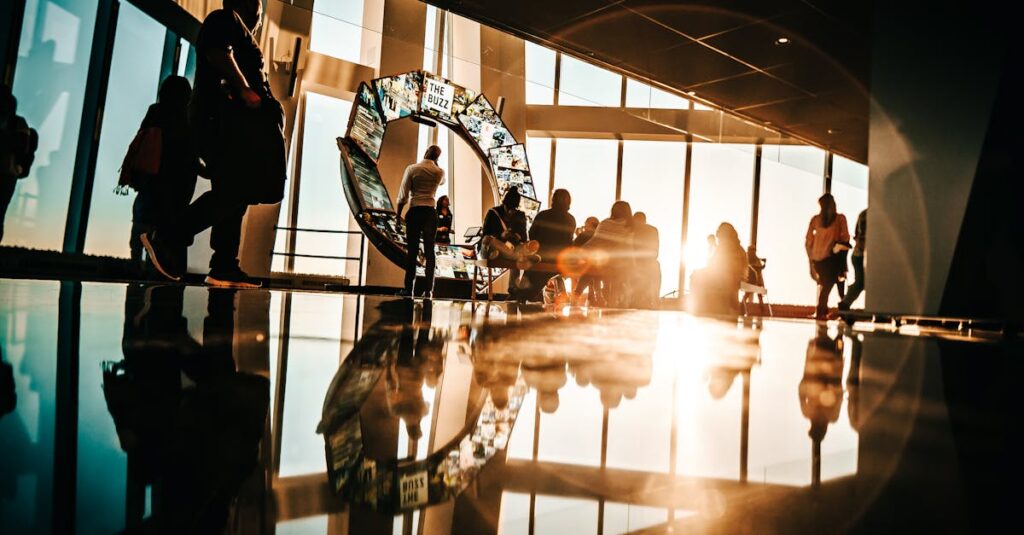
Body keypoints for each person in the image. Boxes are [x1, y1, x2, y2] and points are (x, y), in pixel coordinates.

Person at [142, 0, 285, 288]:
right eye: (256, 8)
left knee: (234, 192)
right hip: (221, 124)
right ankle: (170, 235)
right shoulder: (224, 19)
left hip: (229, 126)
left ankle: (224, 265)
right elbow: (217, 51)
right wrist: (245, 89)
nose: (258, 16)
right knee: (236, 189)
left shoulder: (234, 28)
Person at [128, 76, 199, 265]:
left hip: (152, 180)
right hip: (177, 185)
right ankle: (169, 274)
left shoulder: (155, 112)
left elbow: (142, 143)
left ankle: (135, 269)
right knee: (172, 233)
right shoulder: (188, 117)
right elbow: (190, 153)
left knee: (141, 229)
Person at [396, 145, 446, 297]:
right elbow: (443, 182)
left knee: (412, 251)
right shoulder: (439, 172)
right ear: (437, 158)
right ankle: (428, 290)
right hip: (430, 214)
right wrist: (436, 164)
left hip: (415, 211)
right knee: (430, 252)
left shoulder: (412, 169)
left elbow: (403, 195)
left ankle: (408, 288)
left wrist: (398, 216)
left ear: (425, 153)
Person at [521, 189, 576, 302]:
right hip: (559, 259)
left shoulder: (542, 215)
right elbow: (569, 242)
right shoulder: (571, 219)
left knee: (530, 278)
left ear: (553, 200)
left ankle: (523, 294)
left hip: (541, 257)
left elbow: (532, 235)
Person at [805, 194, 851, 320]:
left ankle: (825, 311)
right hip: (832, 258)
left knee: (829, 283)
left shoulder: (815, 220)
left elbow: (808, 242)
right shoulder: (840, 219)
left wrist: (811, 260)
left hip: (817, 260)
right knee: (835, 282)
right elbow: (846, 237)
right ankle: (833, 311)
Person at [1, 85, 36, 244]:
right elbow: (22, 145)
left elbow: (21, 145)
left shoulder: (17, 123)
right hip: (9, 173)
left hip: (7, 173)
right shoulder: (19, 123)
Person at [583, 201, 634, 307]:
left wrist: (583, 250)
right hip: (621, 265)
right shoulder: (629, 227)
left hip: (603, 263)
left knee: (598, 270)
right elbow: (629, 249)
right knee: (619, 276)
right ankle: (616, 301)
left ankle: (605, 298)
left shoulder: (605, 223)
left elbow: (595, 242)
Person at [482, 188, 531, 298]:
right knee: (491, 241)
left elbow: (524, 237)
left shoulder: (520, 216)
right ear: (504, 204)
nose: (511, 212)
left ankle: (513, 288)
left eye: (514, 209)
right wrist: (501, 235)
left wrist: (518, 237)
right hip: (494, 248)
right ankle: (519, 256)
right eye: (509, 209)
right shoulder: (493, 213)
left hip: (510, 249)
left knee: (522, 247)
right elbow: (485, 235)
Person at [691, 223, 747, 315]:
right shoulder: (723, 248)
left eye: (720, 237)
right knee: (696, 275)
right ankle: (701, 308)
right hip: (722, 276)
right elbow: (713, 265)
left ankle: (706, 308)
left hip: (730, 277)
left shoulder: (736, 249)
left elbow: (732, 269)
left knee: (699, 277)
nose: (718, 240)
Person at [839, 208, 867, 311]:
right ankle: (844, 304)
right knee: (860, 283)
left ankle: (845, 304)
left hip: (858, 254)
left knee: (860, 282)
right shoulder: (870, 215)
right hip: (861, 254)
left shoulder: (864, 214)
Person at [632, 212, 660, 308]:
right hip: (650, 261)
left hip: (635, 261)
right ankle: (655, 299)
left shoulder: (631, 230)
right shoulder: (653, 230)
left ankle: (639, 298)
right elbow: (655, 250)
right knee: (655, 268)